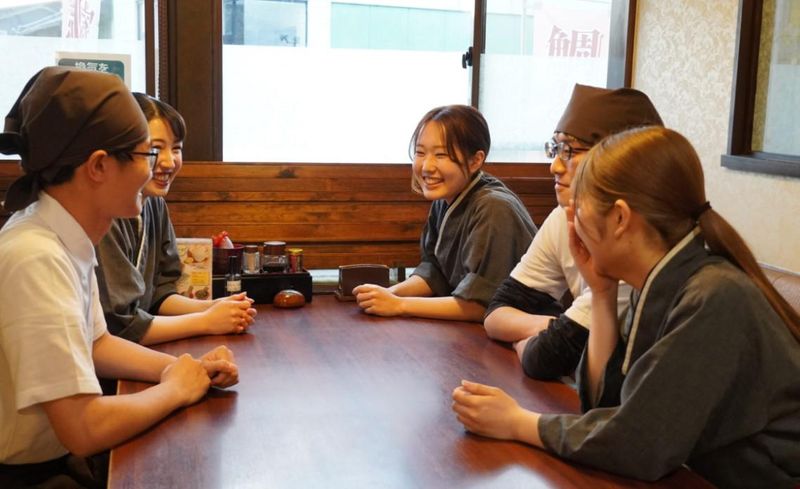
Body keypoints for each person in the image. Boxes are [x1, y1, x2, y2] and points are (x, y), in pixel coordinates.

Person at [452, 126, 800, 487]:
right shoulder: (656, 280)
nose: (573, 221)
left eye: (579, 207)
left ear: (619, 218)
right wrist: (602, 293)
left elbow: (638, 442)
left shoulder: (714, 294)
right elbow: (608, 408)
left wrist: (517, 422)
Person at [0, 67, 239, 488]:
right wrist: (175, 390)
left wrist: (187, 369)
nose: (155, 169)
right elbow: (83, 428)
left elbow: (98, 344)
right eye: (147, 154)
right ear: (98, 166)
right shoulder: (35, 256)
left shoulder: (66, 234)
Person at [483, 84, 662, 380]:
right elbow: (497, 313)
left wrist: (550, 337)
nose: (554, 166)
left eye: (569, 151)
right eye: (555, 149)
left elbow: (548, 357)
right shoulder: (565, 215)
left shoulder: (636, 237)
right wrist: (556, 327)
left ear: (617, 161)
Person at [95, 93, 256, 345]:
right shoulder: (104, 214)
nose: (169, 162)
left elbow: (160, 292)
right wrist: (206, 321)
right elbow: (118, 326)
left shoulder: (154, 203)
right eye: (155, 149)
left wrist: (214, 307)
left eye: (177, 148)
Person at [354, 105, 536, 322]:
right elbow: (435, 273)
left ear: (475, 160)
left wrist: (399, 305)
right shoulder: (445, 198)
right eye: (420, 152)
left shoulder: (494, 207)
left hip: (525, 330)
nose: (427, 166)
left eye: (441, 154)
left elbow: (480, 305)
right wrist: (389, 294)